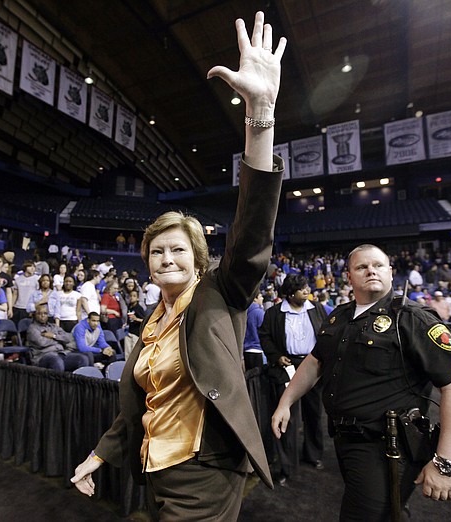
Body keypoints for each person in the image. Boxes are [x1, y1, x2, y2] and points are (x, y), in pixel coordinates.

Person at [71, 12, 286, 519]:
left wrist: (261, 112)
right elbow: (141, 406)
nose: (167, 257)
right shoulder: (151, 321)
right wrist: (97, 455)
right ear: (146, 263)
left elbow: (253, 229)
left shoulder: (221, 293)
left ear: (199, 259)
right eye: (157, 252)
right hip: (154, 471)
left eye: (178, 250)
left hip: (206, 473)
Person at [271, 244, 451, 519]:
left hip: (388, 448)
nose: (371, 271)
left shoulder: (414, 320)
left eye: (378, 265)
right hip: (345, 440)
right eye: (361, 267)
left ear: (391, 273)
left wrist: (446, 463)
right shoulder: (338, 316)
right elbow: (315, 362)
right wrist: (286, 402)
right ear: (349, 277)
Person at [260, 274, 327, 483]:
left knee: (314, 414)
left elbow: (327, 333)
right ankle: (287, 466)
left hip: (314, 366)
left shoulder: (317, 309)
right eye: (302, 289)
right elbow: (265, 336)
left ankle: (313, 455)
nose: (307, 291)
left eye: (307, 287)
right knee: (287, 418)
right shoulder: (274, 313)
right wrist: (276, 356)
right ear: (290, 294)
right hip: (287, 368)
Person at [25, 303, 89, 372]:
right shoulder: (32, 328)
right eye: (39, 313)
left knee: (83, 359)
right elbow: (42, 343)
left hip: (60, 353)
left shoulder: (53, 326)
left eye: (45, 313)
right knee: (57, 361)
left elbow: (68, 338)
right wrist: (59, 340)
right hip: (43, 356)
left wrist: (53, 336)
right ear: (35, 315)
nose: (42, 315)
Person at [243, 290, 266, 370]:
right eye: (260, 296)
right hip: (258, 350)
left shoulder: (244, 312)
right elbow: (265, 331)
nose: (262, 298)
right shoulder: (259, 313)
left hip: (246, 350)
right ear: (254, 299)